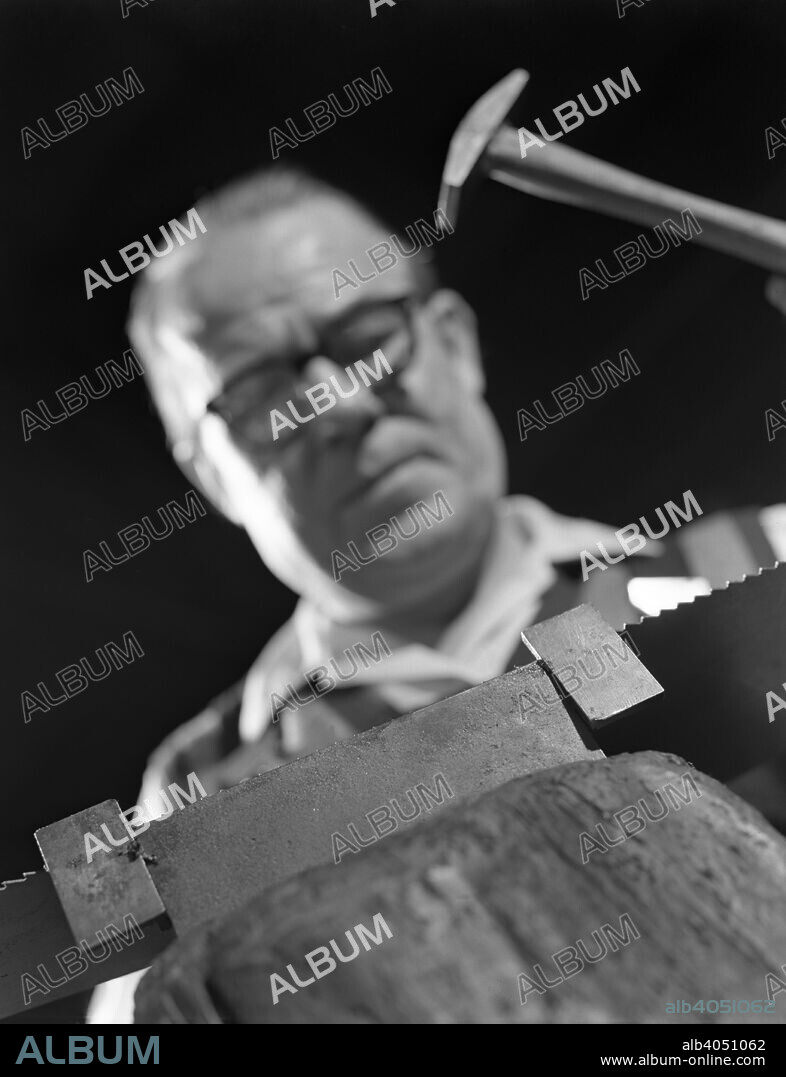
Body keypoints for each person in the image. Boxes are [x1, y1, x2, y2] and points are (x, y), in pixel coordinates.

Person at [87, 166, 786, 1022]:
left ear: (453, 342)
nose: (336, 399)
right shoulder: (193, 799)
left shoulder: (759, 568)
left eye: (369, 335)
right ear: (211, 475)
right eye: (265, 389)